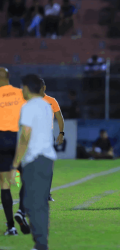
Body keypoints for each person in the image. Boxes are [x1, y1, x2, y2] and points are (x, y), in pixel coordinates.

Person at [9, 74, 57, 250]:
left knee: (32, 202)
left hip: (34, 159)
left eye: (22, 88)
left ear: (27, 88)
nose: (22, 91)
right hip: (47, 158)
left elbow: (25, 135)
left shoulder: (29, 107)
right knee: (41, 204)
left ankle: (40, 244)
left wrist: (15, 164)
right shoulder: (46, 106)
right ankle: (41, 242)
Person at [0, 67, 30, 236]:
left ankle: (11, 227)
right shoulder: (19, 93)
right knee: (25, 178)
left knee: (4, 185)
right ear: (8, 77)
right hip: (14, 140)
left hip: (0, 142)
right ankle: (21, 212)